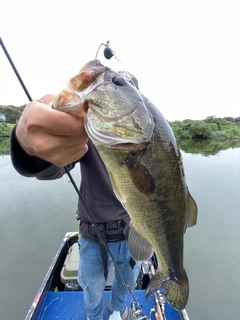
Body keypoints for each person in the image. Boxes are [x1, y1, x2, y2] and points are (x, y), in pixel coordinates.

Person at [10, 74, 141, 320]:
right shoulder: (89, 137)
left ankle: (118, 311)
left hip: (131, 234)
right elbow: (54, 168)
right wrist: (30, 150)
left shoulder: (148, 146)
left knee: (128, 282)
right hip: (93, 235)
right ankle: (94, 316)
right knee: (92, 287)